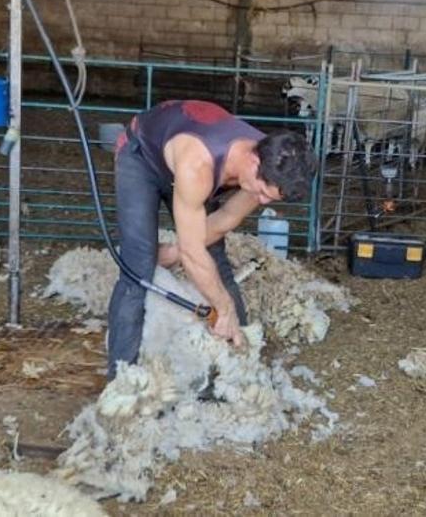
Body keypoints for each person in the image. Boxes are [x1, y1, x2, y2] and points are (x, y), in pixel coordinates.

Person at [107, 99, 317, 377]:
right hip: (142, 157)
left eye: (271, 197)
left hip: (188, 171)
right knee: (138, 269)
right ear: (254, 161)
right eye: (264, 192)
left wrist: (176, 251)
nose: (263, 201)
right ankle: (122, 380)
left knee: (216, 260)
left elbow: (226, 218)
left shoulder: (270, 163)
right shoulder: (199, 164)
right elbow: (194, 254)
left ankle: (237, 365)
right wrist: (222, 305)